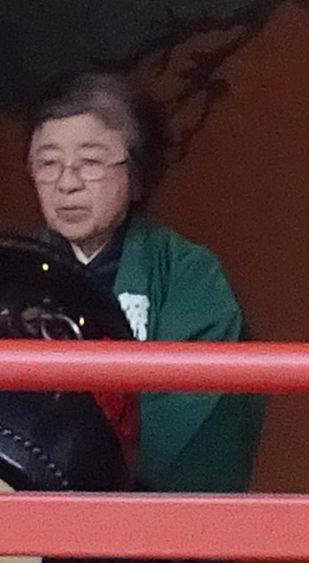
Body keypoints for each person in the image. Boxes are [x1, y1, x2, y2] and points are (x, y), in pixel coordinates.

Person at [26, 69, 264, 493]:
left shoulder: (187, 273)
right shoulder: (15, 271)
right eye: (48, 163)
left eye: (90, 163)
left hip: (142, 507)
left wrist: (84, 460)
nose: (67, 183)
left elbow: (196, 409)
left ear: (136, 176)